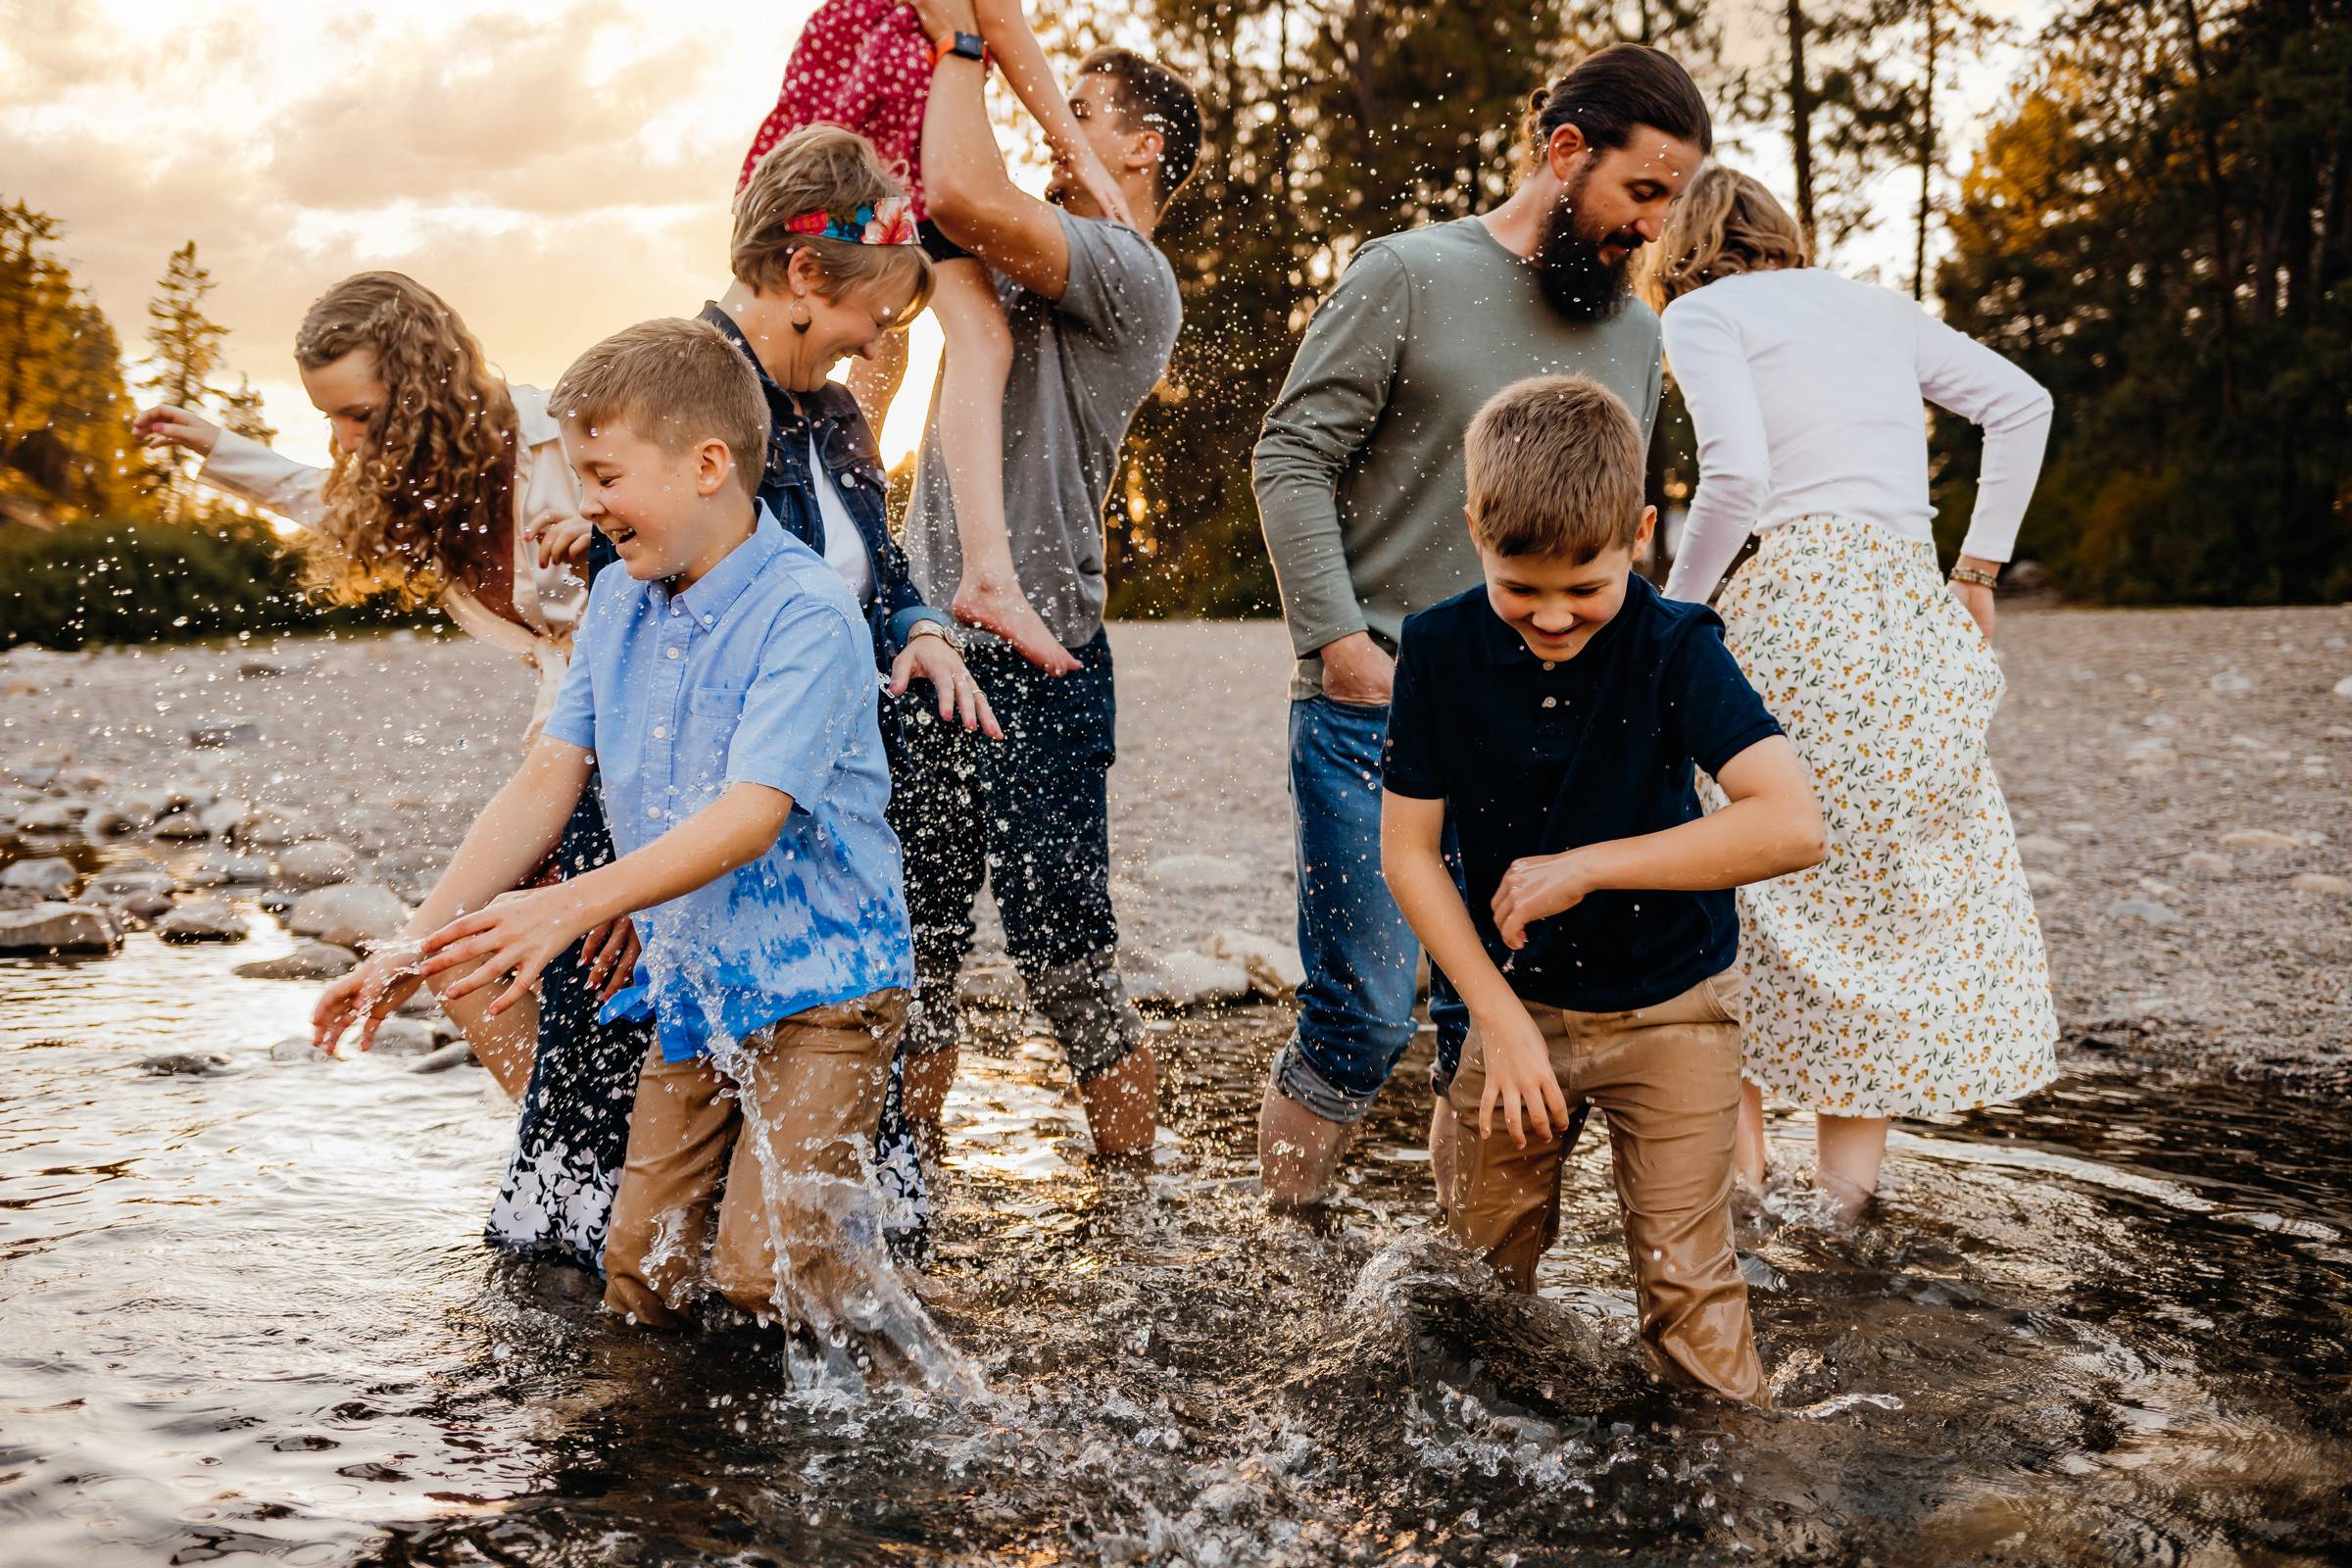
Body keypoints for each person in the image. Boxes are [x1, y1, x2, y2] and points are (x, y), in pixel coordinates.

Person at [314, 319, 946, 1373]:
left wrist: (570, 903)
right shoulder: (616, 597)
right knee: (641, 1270)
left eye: (604, 474)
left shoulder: (808, 610)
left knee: (762, 1275)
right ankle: (659, 1482)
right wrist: (410, 944)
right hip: (695, 988)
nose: (586, 503)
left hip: (827, 991)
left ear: (707, 466)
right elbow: (545, 780)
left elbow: (754, 811)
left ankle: (901, 1431)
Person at [1252, 44, 1712, 1208]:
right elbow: (1291, 455)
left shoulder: (1638, 334)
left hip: (1548, 726)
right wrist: (1339, 643)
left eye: (1671, 204)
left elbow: (1616, 532)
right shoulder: (1405, 274)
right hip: (1375, 702)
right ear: (1566, 152)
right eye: (1641, 192)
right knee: (1360, 1016)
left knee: (1486, 1016)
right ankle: (1284, 1251)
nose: (1650, 230)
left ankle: (1468, 1289)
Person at [133, 272, 650, 1271]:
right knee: (465, 965)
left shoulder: (569, 441)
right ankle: (580, 1154)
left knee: (527, 962)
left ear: (420, 392)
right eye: (333, 418)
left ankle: (620, 1167)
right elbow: (325, 502)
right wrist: (214, 448)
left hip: (651, 764)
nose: (344, 440)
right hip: (562, 752)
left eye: (359, 415)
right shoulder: (436, 484)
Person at [1380, 375, 1824, 1402]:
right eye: (1517, 586)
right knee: (1476, 1289)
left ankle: (1733, 1495)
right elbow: (1410, 852)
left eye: (1584, 587)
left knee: (1686, 1291)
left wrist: (1587, 865)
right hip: (1515, 1008)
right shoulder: (1439, 649)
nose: (1550, 616)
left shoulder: (1677, 648)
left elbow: (1792, 823)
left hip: (1671, 1009)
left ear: (1639, 532)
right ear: (1475, 531)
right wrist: (1499, 1018)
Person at [1649, 165, 2061, 1221]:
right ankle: (1847, 1208)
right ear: (1782, 236)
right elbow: (2024, 405)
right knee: (1872, 894)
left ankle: (1737, 1192)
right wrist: (1978, 570)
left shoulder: (1701, 313)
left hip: (1794, 599)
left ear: (1683, 253)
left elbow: (1735, 480)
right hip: (1905, 604)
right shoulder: (1878, 307)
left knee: (1738, 873)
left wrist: (1672, 617)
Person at [886, 0, 1200, 1167]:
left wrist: (963, 40)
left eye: (1081, 111)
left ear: (1142, 147)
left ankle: (1133, 1210)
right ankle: (910, 1197)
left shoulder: (1129, 271)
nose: (1057, 125)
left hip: (1044, 655)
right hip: (924, 642)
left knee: (1067, 966)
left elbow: (962, 191)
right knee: (918, 960)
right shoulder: (1033, 250)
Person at [703, 122, 1004, 1253]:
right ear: (803, 273)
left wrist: (918, 623)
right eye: (866, 319)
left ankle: (855, 1237)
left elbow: (872, 563)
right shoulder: (690, 399)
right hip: (743, 805)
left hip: (846, 788)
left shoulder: (826, 414)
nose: (872, 346)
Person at [738, 0, 1137, 673]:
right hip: (901, 123)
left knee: (870, 340)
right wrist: (1082, 155)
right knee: (978, 338)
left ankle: (827, 542)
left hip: (846, 110)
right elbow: (1005, 32)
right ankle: (987, 574)